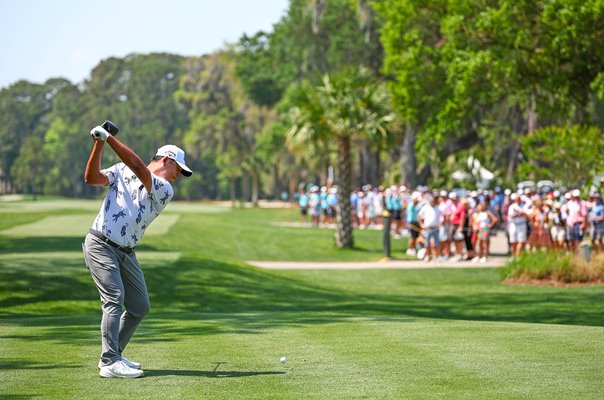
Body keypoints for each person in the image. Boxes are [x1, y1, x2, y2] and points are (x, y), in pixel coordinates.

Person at [82, 124, 193, 378]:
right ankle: (110, 361)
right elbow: (92, 178)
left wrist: (108, 138)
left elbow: (139, 168)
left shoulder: (164, 189)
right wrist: (99, 143)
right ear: (167, 160)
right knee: (114, 298)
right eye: (179, 169)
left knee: (140, 306)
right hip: (100, 243)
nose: (179, 175)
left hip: (126, 252)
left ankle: (114, 354)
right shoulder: (120, 170)